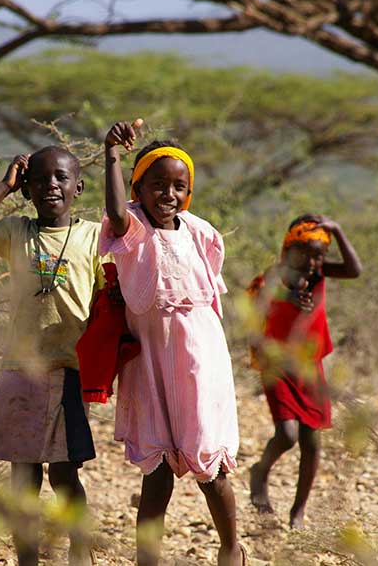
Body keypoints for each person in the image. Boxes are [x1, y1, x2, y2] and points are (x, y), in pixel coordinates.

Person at [99, 119, 244, 566]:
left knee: (210, 465)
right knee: (157, 470)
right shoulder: (131, 228)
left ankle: (230, 549)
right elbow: (118, 216)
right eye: (156, 185)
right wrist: (112, 157)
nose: (168, 194)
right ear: (137, 190)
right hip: (150, 361)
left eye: (178, 186)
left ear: (189, 192)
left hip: (200, 359)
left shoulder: (200, 233)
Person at [0, 146, 102, 566]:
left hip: (69, 367)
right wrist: (4, 186)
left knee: (65, 471)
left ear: (78, 187)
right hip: (20, 370)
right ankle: (27, 560)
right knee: (23, 475)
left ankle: (79, 551)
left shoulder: (92, 235)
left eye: (60, 177)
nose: (50, 185)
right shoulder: (16, 230)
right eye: (39, 179)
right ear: (27, 189)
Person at [247, 214, 362, 529]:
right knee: (287, 435)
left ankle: (297, 512)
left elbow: (354, 270)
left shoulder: (321, 273)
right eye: (306, 253)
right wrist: (286, 296)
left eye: (319, 254)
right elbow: (258, 308)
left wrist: (337, 229)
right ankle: (260, 471)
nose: (314, 261)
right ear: (288, 250)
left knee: (312, 444)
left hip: (310, 368)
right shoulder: (274, 276)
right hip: (278, 366)